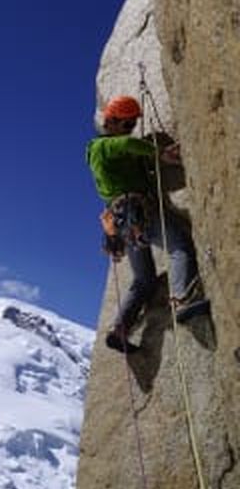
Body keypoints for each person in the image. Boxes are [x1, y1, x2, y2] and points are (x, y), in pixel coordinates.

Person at [86, 95, 207, 353]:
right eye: (128, 124)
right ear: (113, 122)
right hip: (135, 210)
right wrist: (159, 153)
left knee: (144, 280)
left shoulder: (103, 154)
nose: (131, 129)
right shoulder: (102, 147)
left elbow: (128, 147)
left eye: (132, 124)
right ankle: (183, 301)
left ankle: (120, 329)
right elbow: (127, 143)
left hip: (122, 220)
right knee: (179, 247)